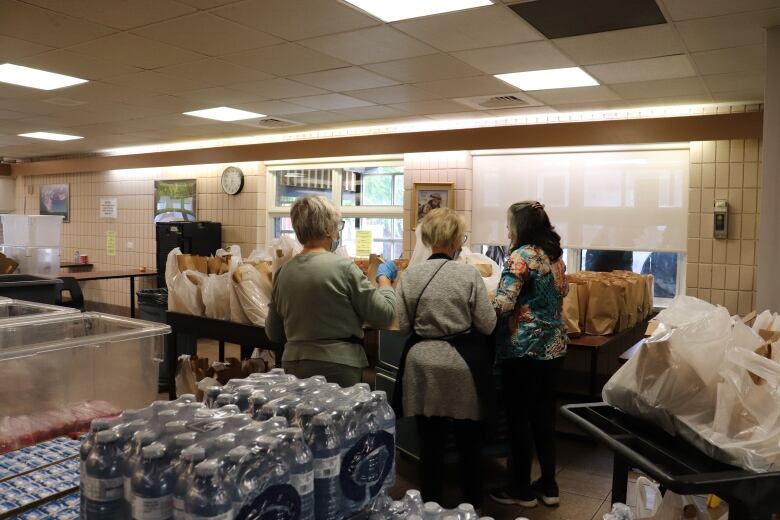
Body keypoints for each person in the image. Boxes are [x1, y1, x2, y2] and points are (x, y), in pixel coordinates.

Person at [394, 208, 497, 508]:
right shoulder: (468, 274)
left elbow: (401, 326)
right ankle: (472, 504)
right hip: (460, 365)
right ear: (456, 240)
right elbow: (487, 324)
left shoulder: (410, 275)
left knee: (431, 442)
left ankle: (430, 505)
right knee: (469, 442)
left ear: (427, 238)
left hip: (422, 365)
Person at [265, 195, 398, 387]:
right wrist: (384, 282)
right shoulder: (344, 269)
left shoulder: (283, 272)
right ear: (327, 229)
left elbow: (273, 332)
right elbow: (385, 315)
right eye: (337, 226)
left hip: (294, 366)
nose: (337, 232)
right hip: (339, 366)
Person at [489, 201, 569, 508]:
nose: (507, 229)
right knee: (544, 417)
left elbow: (503, 305)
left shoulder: (520, 257)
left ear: (520, 227)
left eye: (509, 223)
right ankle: (549, 485)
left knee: (518, 418)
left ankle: (520, 488)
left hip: (522, 350)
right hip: (554, 348)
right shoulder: (556, 257)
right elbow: (561, 293)